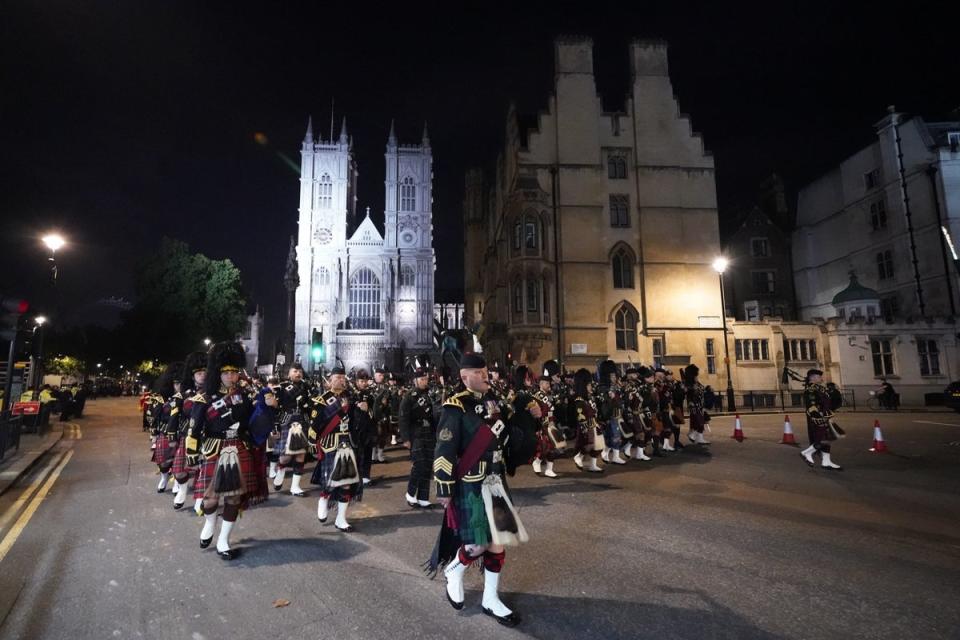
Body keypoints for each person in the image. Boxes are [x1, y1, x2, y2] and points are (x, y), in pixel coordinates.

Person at [429, 352, 526, 627]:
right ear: (465, 376)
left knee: (497, 541)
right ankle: (454, 569)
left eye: (486, 371)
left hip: (494, 480)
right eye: (480, 372)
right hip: (471, 482)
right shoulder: (455, 407)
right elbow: (445, 448)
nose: (486, 375)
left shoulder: (495, 402)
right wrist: (444, 487)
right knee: (477, 543)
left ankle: (490, 598)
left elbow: (507, 434)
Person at [187, 341, 267, 560]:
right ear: (218, 374)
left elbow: (253, 421)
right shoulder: (204, 398)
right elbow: (194, 428)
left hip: (238, 447)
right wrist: (191, 452)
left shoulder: (244, 396)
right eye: (227, 373)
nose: (231, 377)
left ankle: (224, 540)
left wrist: (268, 408)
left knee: (233, 500)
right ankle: (210, 524)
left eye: (234, 372)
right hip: (215, 448)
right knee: (211, 500)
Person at [308, 361, 364, 532]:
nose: (341, 380)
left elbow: (355, 422)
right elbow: (315, 425)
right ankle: (323, 499)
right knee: (330, 482)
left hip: (347, 443)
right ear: (329, 380)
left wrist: (361, 410)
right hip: (330, 444)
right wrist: (312, 443)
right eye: (337, 377)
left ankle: (341, 519)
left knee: (346, 482)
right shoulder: (322, 401)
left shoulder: (351, 398)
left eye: (342, 377)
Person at [399, 357, 437, 508]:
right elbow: (403, 418)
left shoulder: (430, 395)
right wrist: (406, 438)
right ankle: (410, 492)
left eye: (425, 378)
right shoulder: (409, 397)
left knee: (428, 466)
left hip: (429, 433)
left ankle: (423, 497)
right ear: (415, 380)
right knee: (419, 465)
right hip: (416, 434)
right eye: (421, 379)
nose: (424, 381)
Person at [271, 362, 312, 496]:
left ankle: (295, 487)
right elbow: (276, 407)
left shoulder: (307, 387)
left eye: (299, 371)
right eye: (295, 371)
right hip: (287, 421)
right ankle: (280, 472)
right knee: (285, 457)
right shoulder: (282, 387)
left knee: (301, 454)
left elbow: (311, 404)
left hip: (302, 421)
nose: (298, 373)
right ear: (289, 373)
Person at [801, 369, 842, 470]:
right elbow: (812, 405)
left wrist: (834, 391)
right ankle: (806, 453)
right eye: (819, 377)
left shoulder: (820, 388)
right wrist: (817, 417)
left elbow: (830, 401)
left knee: (827, 439)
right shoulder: (810, 389)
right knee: (823, 439)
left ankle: (826, 461)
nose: (821, 379)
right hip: (819, 417)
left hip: (826, 416)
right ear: (813, 377)